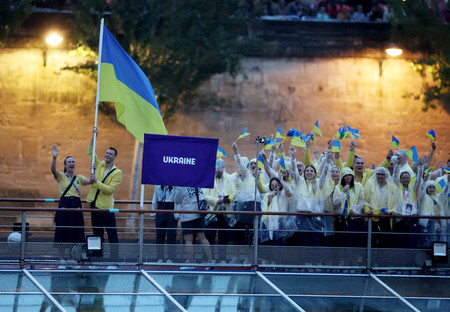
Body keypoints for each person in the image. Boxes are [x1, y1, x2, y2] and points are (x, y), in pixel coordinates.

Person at [86, 127, 122, 264]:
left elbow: (110, 189)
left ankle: (114, 261)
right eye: (106, 153)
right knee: (97, 234)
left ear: (114, 157)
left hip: (106, 207)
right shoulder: (99, 165)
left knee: (112, 234)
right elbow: (90, 152)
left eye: (110, 154)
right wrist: (94, 136)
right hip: (94, 205)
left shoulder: (117, 172)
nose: (107, 155)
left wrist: (96, 182)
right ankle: (97, 259)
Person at [51, 145, 91, 268]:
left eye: (73, 162)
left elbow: (90, 181)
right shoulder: (61, 176)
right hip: (64, 205)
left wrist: (94, 173)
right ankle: (62, 260)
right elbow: (53, 170)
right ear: (65, 165)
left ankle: (73, 259)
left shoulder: (79, 177)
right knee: (62, 232)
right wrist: (54, 158)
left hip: (76, 206)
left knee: (76, 233)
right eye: (69, 162)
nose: (71, 163)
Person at [174, 187, 214, 269]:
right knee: (202, 237)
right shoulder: (198, 185)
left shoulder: (183, 187)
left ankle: (191, 263)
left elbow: (177, 200)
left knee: (188, 240)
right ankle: (210, 261)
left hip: (187, 215)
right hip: (199, 214)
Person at [364, 167, 399, 248]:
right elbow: (365, 200)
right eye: (378, 174)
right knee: (373, 241)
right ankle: (372, 260)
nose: (380, 176)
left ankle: (384, 259)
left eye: (382, 174)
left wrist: (393, 210)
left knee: (386, 241)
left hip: (387, 217)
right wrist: (367, 210)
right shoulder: (369, 184)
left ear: (386, 176)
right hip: (373, 218)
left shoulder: (392, 186)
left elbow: (395, 202)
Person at [333, 167, 365, 247]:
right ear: (343, 177)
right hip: (342, 218)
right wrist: (343, 192)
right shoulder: (338, 187)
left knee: (356, 240)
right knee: (343, 240)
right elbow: (335, 202)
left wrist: (354, 210)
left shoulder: (358, 186)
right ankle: (343, 258)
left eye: (350, 175)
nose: (348, 177)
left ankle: (356, 258)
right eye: (346, 175)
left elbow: (361, 202)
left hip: (355, 217)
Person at [418, 177, 449, 248]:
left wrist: (448, 183)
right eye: (430, 187)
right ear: (427, 188)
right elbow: (421, 190)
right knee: (428, 241)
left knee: (439, 240)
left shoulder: (438, 197)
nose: (432, 189)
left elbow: (444, 192)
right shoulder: (424, 197)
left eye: (433, 187)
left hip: (438, 222)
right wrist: (424, 181)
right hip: (427, 222)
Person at [152, 185, 178, 262]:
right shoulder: (158, 186)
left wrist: (177, 213)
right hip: (161, 209)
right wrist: (154, 212)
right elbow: (155, 199)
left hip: (171, 209)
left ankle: (171, 258)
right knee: (160, 235)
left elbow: (177, 201)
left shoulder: (175, 186)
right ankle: (159, 257)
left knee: (171, 235)